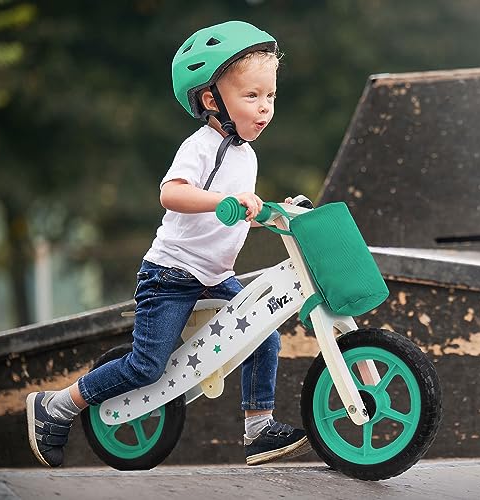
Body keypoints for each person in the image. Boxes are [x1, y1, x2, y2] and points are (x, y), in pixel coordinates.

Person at [26, 20, 311, 468]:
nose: (265, 108)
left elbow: (229, 218)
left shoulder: (246, 155)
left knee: (264, 334)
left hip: (215, 276)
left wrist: (274, 212)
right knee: (146, 367)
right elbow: (172, 193)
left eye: (270, 96)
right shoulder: (201, 146)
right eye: (251, 96)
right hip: (171, 276)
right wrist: (227, 200)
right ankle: (56, 406)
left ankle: (258, 429)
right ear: (210, 99)